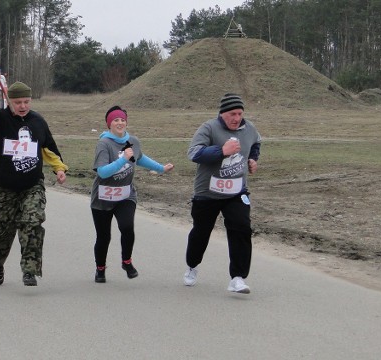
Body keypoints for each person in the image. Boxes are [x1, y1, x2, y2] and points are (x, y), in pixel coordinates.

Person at [0, 67, 68, 287]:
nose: (23, 106)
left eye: (26, 101)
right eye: (18, 103)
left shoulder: (37, 121)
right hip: (5, 186)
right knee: (1, 230)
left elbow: (48, 148)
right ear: (10, 102)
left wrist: (59, 168)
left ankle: (30, 269)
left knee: (33, 222)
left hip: (32, 185)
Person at [183, 93, 261, 294]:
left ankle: (238, 278)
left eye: (240, 114)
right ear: (222, 113)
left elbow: (256, 143)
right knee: (201, 233)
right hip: (207, 193)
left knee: (241, 228)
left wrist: (253, 159)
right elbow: (194, 153)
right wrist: (221, 151)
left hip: (236, 192)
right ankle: (192, 265)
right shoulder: (209, 128)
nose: (236, 118)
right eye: (232, 114)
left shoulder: (249, 128)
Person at [90, 106, 174, 283]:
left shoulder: (133, 141)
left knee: (127, 227)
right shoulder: (104, 144)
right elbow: (102, 173)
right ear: (109, 124)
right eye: (115, 120)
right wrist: (122, 160)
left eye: (122, 120)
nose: (120, 123)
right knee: (103, 236)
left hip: (126, 195)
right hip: (103, 197)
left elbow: (140, 158)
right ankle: (100, 269)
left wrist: (161, 168)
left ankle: (126, 262)